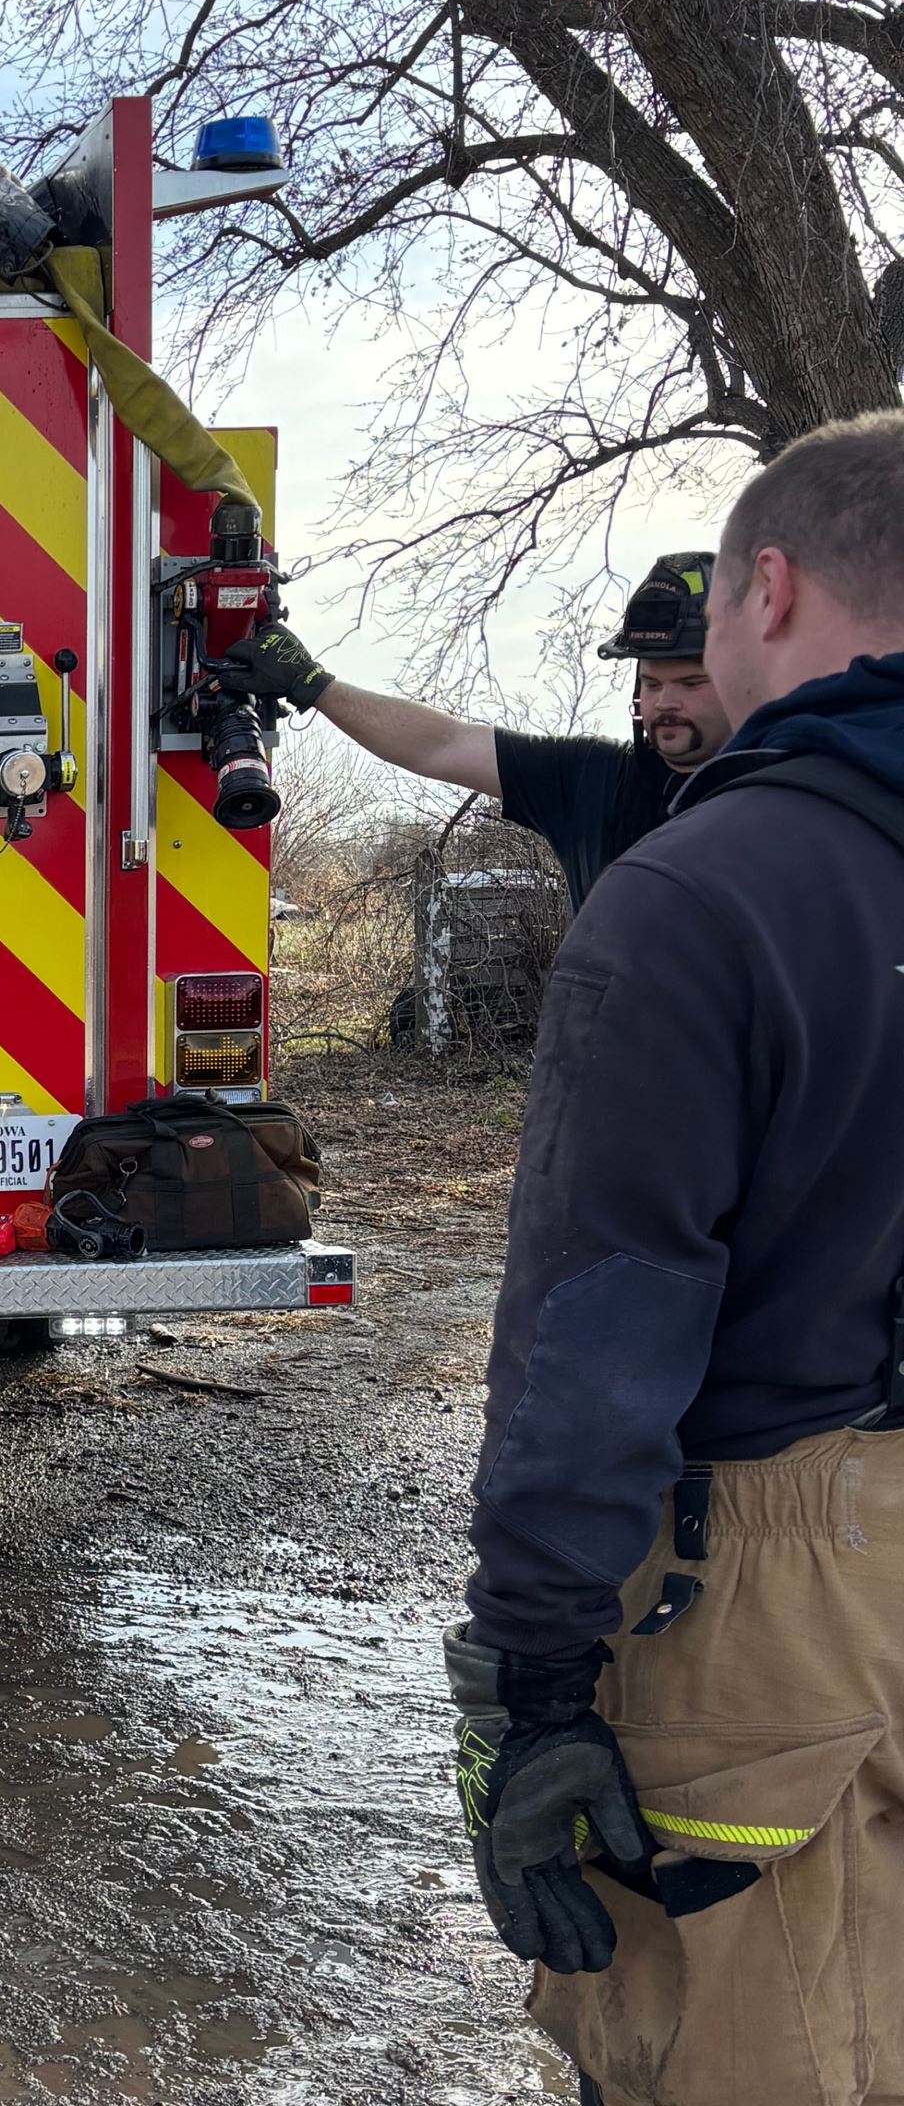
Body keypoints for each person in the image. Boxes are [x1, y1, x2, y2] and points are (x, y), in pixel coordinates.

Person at [441, 411, 904, 2106]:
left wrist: (535, 1677)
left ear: (767, 589)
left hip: (765, 1580)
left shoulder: (707, 893)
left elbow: (599, 1334)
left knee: (740, 2040)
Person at [215, 556, 730, 909]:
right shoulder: (593, 781)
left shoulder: (793, 790)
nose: (666, 702)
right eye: (652, 681)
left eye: (691, 681)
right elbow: (441, 744)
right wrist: (314, 685)